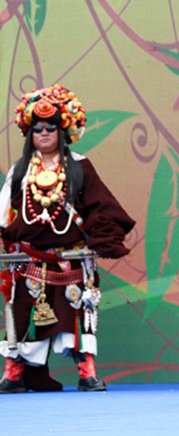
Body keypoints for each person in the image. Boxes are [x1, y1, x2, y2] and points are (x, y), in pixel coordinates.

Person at [0, 85, 135, 393]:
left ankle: (87, 373)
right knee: (20, 316)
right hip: (29, 262)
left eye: (51, 128)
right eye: (37, 129)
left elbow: (101, 207)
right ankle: (13, 373)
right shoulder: (20, 171)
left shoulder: (79, 166)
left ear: (62, 131)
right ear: (29, 134)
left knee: (78, 316)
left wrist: (104, 239)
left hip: (71, 260)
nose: (44, 133)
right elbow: (4, 214)